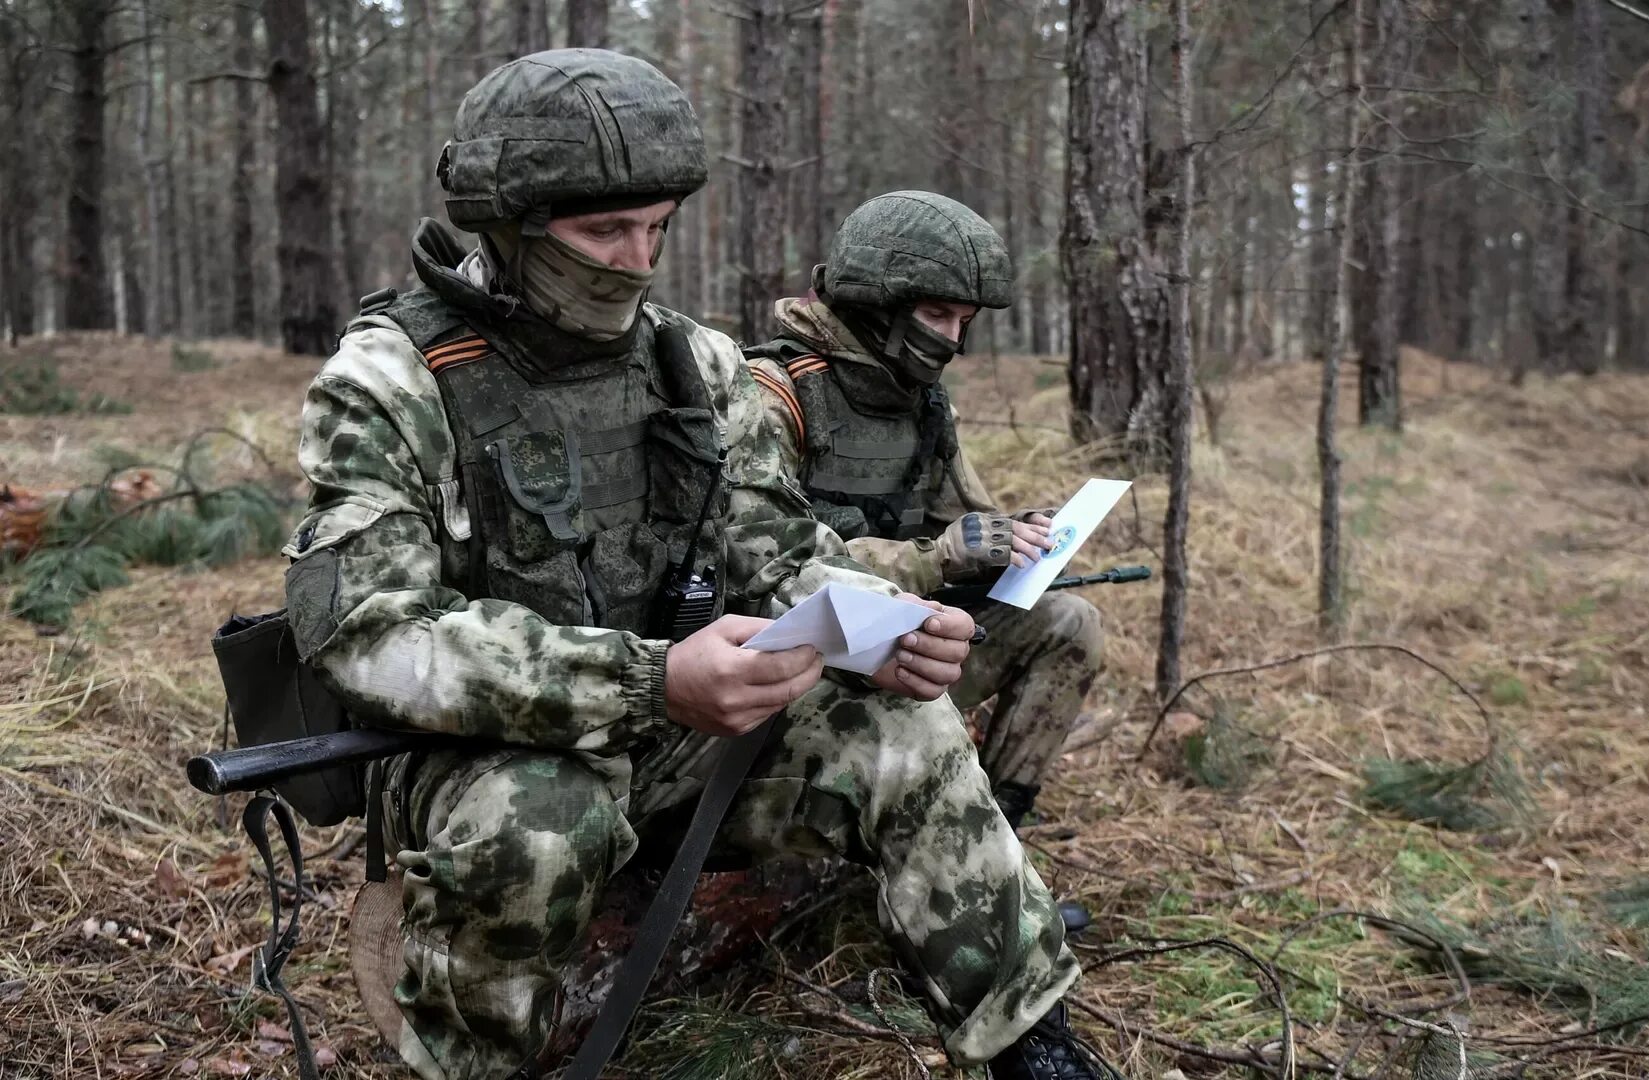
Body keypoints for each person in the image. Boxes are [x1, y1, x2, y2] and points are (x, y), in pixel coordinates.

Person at [281, 49, 1113, 1080]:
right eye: (602, 232)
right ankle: (470, 1064)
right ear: (508, 222)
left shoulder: (697, 365)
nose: (635, 260)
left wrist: (883, 627)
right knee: (544, 820)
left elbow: (781, 557)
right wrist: (649, 680)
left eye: (657, 228)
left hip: (681, 731)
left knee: (906, 722)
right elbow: (368, 634)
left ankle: (1034, 1045)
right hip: (478, 755)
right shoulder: (395, 375)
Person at [745, 191, 1105, 828]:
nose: (952, 339)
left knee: (1069, 622)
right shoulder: (773, 397)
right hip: (794, 670)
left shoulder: (925, 404)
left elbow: (965, 522)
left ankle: (997, 835)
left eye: (964, 320)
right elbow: (769, 571)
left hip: (905, 638)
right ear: (873, 304)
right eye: (937, 313)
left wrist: (1016, 539)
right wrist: (939, 558)